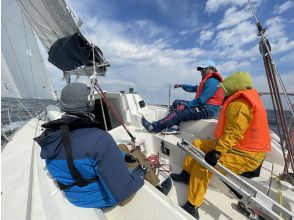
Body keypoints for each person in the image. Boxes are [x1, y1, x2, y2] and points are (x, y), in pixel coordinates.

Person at [34, 82, 171, 209]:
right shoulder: (99, 139)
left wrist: (122, 156)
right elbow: (123, 192)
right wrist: (140, 173)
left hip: (74, 195)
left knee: (123, 149)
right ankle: (157, 187)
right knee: (139, 161)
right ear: (90, 105)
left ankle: (129, 159)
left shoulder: (52, 135)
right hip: (99, 198)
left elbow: (76, 155)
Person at [170, 72, 271, 219]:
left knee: (203, 164)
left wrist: (216, 153)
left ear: (233, 88)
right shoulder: (244, 99)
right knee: (196, 144)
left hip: (246, 155)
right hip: (235, 147)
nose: (222, 91)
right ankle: (186, 175)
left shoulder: (239, 105)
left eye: (225, 88)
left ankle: (192, 206)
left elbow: (234, 133)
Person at [141, 60, 224, 134]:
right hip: (202, 106)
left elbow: (201, 100)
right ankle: (174, 126)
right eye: (201, 70)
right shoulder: (207, 81)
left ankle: (153, 127)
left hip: (206, 110)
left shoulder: (212, 81)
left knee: (178, 112)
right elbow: (193, 88)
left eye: (203, 69)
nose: (201, 72)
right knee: (177, 103)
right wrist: (181, 85)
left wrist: (185, 106)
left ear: (211, 69)